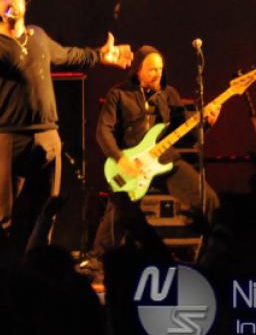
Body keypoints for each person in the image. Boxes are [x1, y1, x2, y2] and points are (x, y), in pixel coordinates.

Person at [0, 0, 132, 257]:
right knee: (9, 216)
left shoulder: (37, 36)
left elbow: (66, 55)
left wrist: (99, 55)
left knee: (46, 212)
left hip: (47, 136)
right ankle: (8, 270)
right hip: (9, 139)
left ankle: (40, 268)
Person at [93, 44, 221, 256]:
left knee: (208, 199)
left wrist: (206, 123)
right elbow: (103, 132)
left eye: (160, 68)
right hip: (131, 164)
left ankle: (215, 250)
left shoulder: (168, 94)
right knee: (119, 210)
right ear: (138, 70)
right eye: (152, 69)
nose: (158, 73)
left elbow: (186, 134)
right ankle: (100, 259)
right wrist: (120, 159)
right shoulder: (118, 94)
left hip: (165, 161)